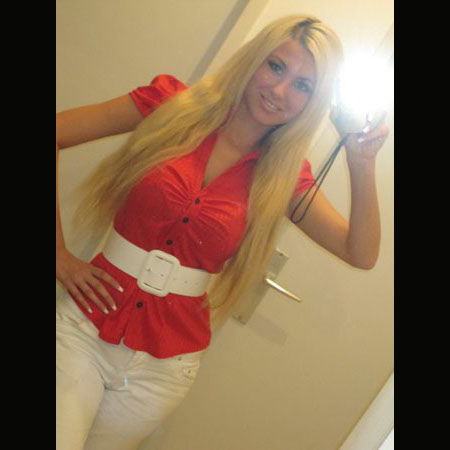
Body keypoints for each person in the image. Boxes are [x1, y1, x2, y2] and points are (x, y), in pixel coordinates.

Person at [56, 15, 389, 450]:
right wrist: (59, 255)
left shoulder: (285, 177)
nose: (280, 91)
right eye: (276, 66)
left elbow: (360, 252)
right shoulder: (170, 103)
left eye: (303, 86)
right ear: (254, 59)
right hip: (85, 329)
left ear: (315, 101)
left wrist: (361, 161)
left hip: (163, 368)